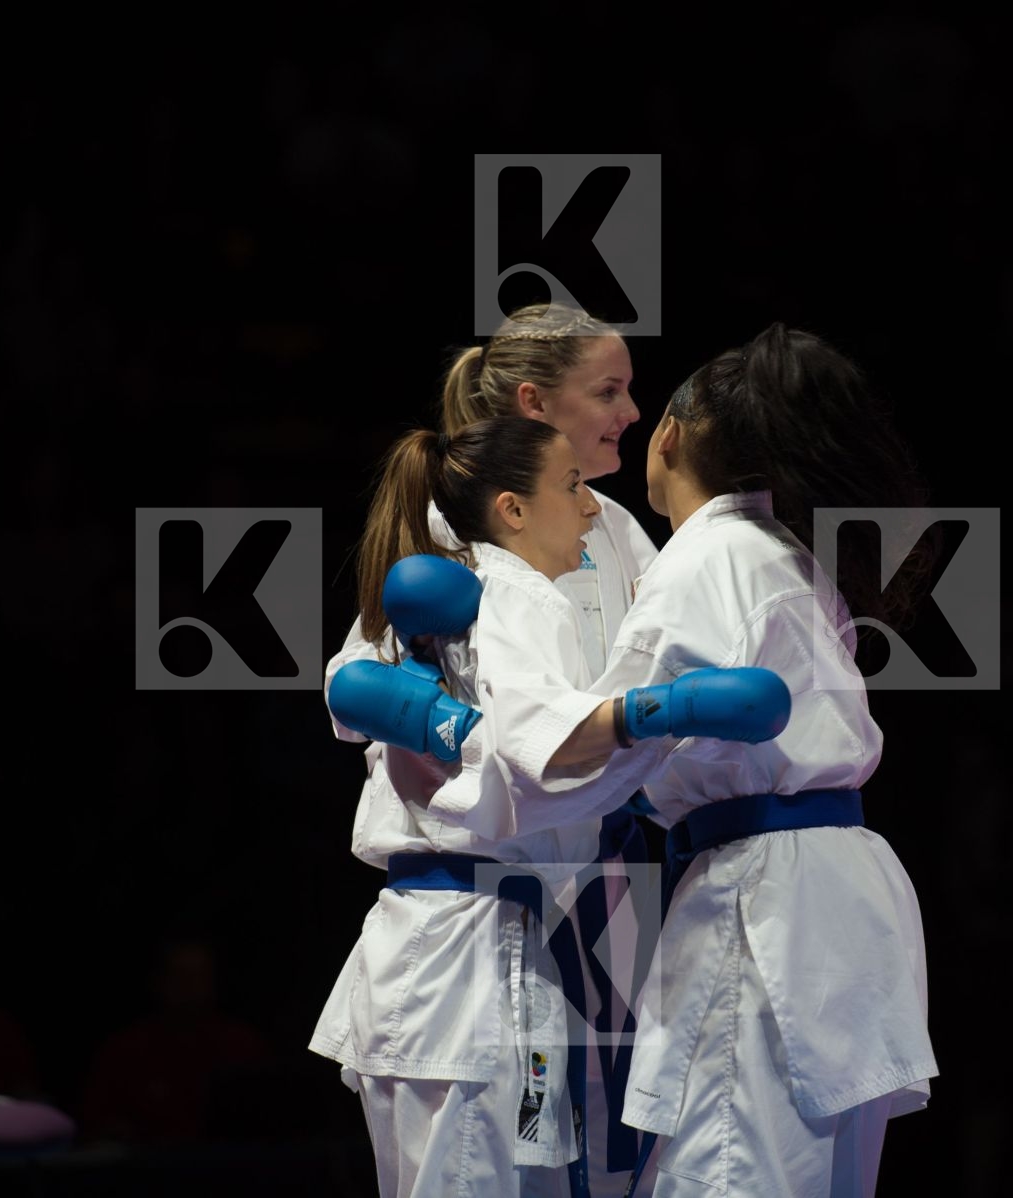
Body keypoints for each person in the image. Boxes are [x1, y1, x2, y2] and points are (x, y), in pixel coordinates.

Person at [410, 324, 942, 1196]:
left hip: (758, 901)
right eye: (607, 391)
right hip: (829, 901)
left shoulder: (701, 555)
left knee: (721, 1175)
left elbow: (576, 759)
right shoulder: (776, 552)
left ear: (672, 435)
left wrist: (456, 741)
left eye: (635, 398)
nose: (625, 415)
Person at [320, 304, 663, 1195]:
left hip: (595, 898)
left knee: (585, 1170)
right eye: (608, 391)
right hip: (480, 908)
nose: (630, 412)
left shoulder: (619, 530)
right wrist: (457, 726)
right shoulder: (456, 529)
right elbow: (354, 685)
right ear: (533, 403)